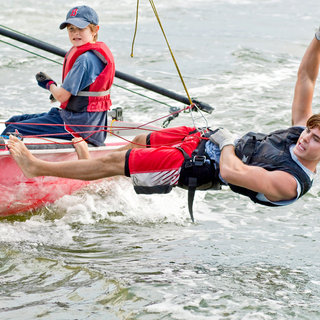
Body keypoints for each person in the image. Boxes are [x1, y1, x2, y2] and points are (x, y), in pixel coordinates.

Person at [7, 32, 320, 220]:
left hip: (193, 165)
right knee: (139, 140)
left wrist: (225, 142)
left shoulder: (290, 183)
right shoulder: (298, 133)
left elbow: (233, 172)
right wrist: (318, 38)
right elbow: (306, 78)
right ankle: (95, 174)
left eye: (316, 140)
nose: (306, 138)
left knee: (118, 161)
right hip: (199, 140)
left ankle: (38, 168)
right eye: (310, 131)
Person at [2, 5, 115, 147]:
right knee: (13, 121)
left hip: (78, 127)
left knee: (13, 129)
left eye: (81, 28)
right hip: (88, 123)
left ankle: (9, 161)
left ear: (94, 30)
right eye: (71, 29)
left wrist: (48, 84)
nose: (75, 33)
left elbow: (62, 97)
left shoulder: (85, 60)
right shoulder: (89, 55)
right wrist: (56, 93)